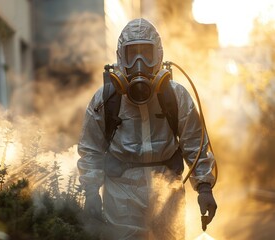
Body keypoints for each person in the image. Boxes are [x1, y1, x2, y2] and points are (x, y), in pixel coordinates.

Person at [77, 18, 217, 240]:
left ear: (158, 56)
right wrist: (91, 191)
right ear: (121, 57)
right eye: (133, 54)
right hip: (121, 197)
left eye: (146, 54)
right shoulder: (106, 98)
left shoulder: (176, 95)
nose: (139, 63)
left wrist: (205, 188)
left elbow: (195, 144)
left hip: (167, 194)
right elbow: (91, 150)